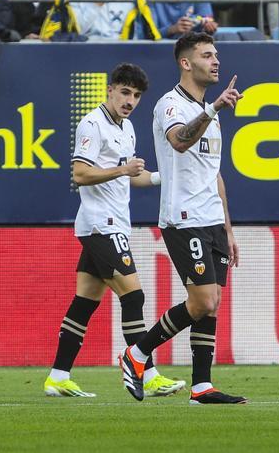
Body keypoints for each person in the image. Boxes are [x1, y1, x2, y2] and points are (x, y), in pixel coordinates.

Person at [118, 32, 247, 405]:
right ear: (186, 63)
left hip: (211, 219)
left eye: (216, 54)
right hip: (183, 217)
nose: (216, 61)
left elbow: (214, 173)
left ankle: (201, 386)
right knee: (203, 301)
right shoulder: (171, 105)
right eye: (207, 55)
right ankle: (137, 354)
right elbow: (178, 141)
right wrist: (212, 110)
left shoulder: (211, 111)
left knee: (214, 300)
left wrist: (228, 228)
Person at [44, 63, 186, 399]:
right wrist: (123, 167)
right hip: (100, 224)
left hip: (113, 223)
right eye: (125, 92)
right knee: (133, 295)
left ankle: (58, 376)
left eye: (136, 95)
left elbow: (130, 176)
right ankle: (146, 373)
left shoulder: (127, 128)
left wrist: (159, 178)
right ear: (110, 89)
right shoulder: (92, 124)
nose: (130, 100)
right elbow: (80, 174)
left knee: (84, 303)